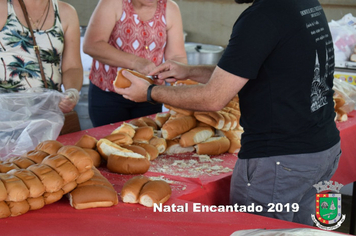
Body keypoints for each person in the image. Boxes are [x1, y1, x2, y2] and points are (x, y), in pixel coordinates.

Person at [114, 0, 341, 226]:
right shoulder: (303, 3)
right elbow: (249, 69)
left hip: (279, 161)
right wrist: (188, 71)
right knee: (303, 232)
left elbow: (213, 98)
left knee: (257, 231)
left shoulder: (260, 17)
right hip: (321, 150)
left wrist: (150, 92)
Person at [82, 0, 187, 127]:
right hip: (109, 94)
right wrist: (136, 62)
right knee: (111, 141)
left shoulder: (170, 8)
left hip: (149, 94)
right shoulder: (112, 3)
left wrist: (172, 74)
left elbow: (177, 56)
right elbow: (92, 45)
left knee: (146, 140)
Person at [0, 0, 83, 113]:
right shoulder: (3, 7)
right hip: (6, 114)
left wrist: (71, 92)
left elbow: (72, 67)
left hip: (48, 111)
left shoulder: (66, 12)